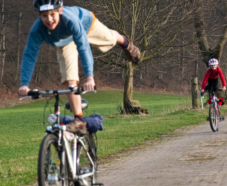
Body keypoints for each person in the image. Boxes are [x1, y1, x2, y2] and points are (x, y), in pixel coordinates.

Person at [17, 0, 141, 134]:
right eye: (44, 16)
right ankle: (78, 120)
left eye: (52, 14)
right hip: (65, 42)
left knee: (110, 38)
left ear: (60, 10)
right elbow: (30, 54)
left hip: (87, 25)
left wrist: (89, 78)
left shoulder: (70, 21)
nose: (49, 19)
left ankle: (125, 43)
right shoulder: (37, 29)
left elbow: (84, 48)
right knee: (69, 77)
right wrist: (24, 84)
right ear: (39, 15)